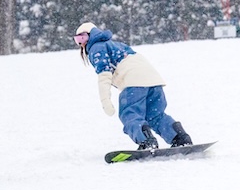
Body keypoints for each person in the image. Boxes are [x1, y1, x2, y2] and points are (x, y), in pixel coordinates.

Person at [73, 22, 192, 150]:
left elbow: (104, 74)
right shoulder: (116, 44)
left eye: (83, 38)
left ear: (91, 36)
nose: (81, 43)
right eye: (77, 39)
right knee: (155, 115)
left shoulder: (96, 48)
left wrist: (105, 100)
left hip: (134, 81)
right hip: (153, 79)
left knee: (129, 114)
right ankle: (180, 137)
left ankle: (146, 141)